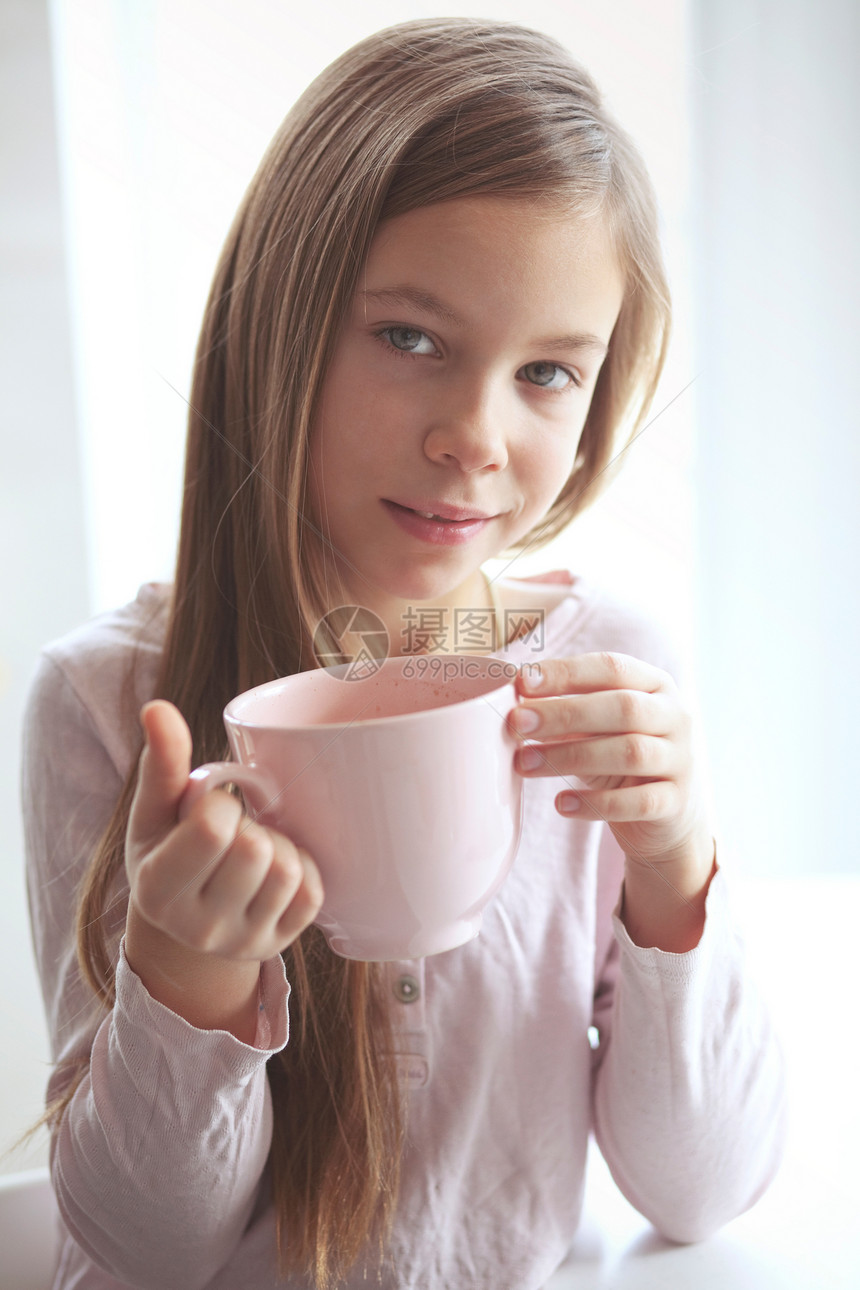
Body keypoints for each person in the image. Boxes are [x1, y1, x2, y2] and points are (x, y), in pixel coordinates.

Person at [22, 17, 786, 1290]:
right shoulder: (105, 701)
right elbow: (148, 1247)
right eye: (411, 339)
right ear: (283, 319)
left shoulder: (609, 678)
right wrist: (189, 975)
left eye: (546, 371)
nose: (474, 439)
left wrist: (674, 862)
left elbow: (699, 1189)